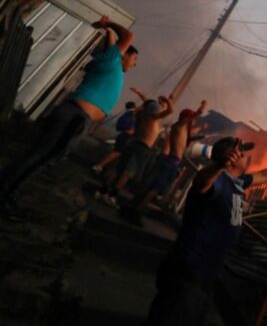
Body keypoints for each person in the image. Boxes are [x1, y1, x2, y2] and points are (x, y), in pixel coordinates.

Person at [145, 137, 267, 325]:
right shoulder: (216, 180)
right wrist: (220, 165)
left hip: (207, 270)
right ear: (230, 158)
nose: (247, 157)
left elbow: (263, 176)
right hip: (189, 267)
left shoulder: (237, 182)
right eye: (242, 154)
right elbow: (201, 183)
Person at [0, 15, 136, 220]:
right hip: (75, 117)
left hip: (76, 117)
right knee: (40, 157)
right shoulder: (112, 60)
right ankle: (4, 193)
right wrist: (108, 26)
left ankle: (7, 192)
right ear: (123, 54)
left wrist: (107, 33)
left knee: (41, 157)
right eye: (134, 59)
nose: (134, 65)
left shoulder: (106, 63)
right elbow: (128, 35)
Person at [131, 100, 208, 223]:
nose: (193, 121)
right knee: (155, 188)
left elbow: (189, 135)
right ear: (186, 118)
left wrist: (201, 133)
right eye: (191, 118)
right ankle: (137, 210)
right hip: (171, 162)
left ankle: (134, 206)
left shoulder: (182, 128)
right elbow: (196, 115)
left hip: (172, 162)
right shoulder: (180, 125)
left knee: (153, 187)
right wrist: (203, 106)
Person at [96, 94, 173, 208]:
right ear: (154, 111)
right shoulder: (153, 118)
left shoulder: (139, 115)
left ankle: (102, 191)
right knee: (128, 173)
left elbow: (148, 105)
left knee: (118, 169)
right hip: (142, 148)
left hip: (132, 143)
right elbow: (170, 111)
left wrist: (157, 102)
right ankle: (112, 196)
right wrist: (167, 101)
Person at [91, 98, 138, 173]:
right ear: (134, 106)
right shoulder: (133, 114)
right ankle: (99, 166)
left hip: (122, 135)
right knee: (117, 153)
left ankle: (103, 169)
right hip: (126, 137)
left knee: (118, 154)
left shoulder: (124, 115)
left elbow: (118, 127)